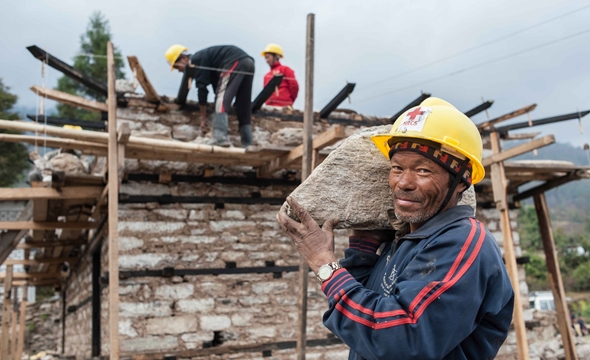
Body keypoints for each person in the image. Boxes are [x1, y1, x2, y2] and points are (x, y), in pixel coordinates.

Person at [277, 98, 515, 360]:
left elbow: (398, 340)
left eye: (423, 171)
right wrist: (363, 245)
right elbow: (362, 316)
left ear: (462, 180)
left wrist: (323, 262)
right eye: (397, 168)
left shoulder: (463, 242)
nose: (403, 183)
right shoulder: (409, 240)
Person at [165, 44, 255, 147]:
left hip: (234, 61)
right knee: (243, 103)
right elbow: (216, 85)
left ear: (184, 58)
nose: (179, 71)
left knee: (221, 100)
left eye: (177, 67)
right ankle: (247, 143)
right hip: (248, 63)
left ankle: (220, 137)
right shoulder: (208, 59)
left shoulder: (196, 60)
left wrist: (203, 118)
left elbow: (202, 89)